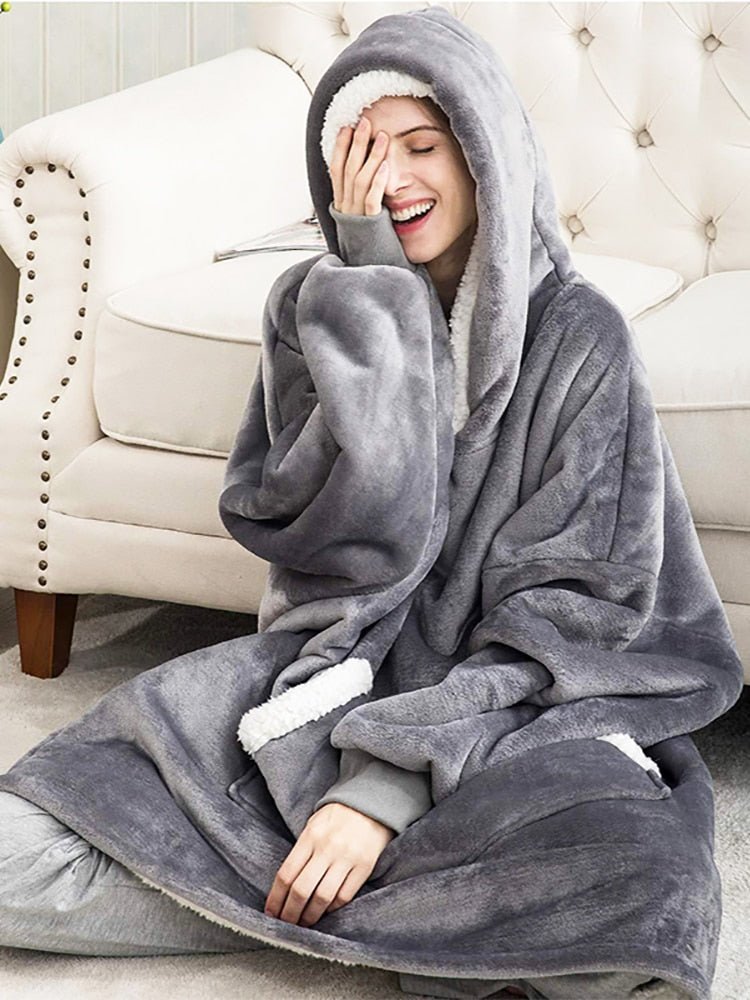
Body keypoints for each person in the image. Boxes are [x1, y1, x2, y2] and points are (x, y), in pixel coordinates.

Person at [0, 9, 741, 1000]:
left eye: (422, 146)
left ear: (484, 154)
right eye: (362, 151)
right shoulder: (314, 307)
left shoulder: (581, 336)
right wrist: (371, 298)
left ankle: (336, 897)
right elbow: (335, 544)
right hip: (330, 672)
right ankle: (425, 921)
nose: (391, 179)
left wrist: (386, 785)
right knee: (22, 853)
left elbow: (573, 618)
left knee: (638, 914)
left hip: (514, 710)